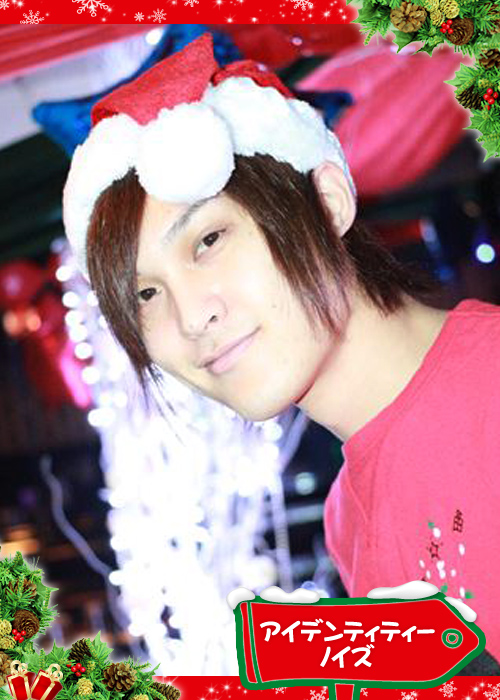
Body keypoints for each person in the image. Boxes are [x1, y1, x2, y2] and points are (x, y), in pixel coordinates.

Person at [62, 33, 500, 671]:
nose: (191, 317)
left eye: (209, 239)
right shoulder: (347, 521)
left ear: (326, 202)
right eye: (146, 294)